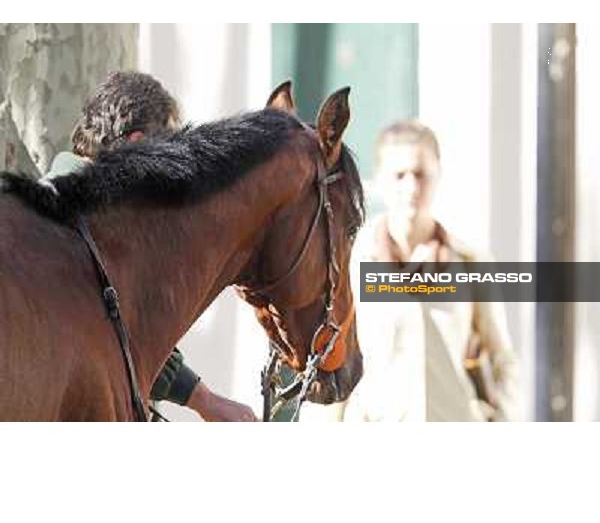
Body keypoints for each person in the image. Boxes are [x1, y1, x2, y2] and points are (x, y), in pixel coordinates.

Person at [44, 71, 258, 422]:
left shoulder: (58, 211)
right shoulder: (75, 229)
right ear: (138, 144)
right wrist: (205, 401)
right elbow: (123, 334)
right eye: (168, 151)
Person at [302, 119, 522, 422]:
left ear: (438, 175)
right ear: (380, 179)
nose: (411, 187)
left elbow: (502, 360)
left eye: (421, 175)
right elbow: (330, 361)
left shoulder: (471, 262)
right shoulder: (350, 261)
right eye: (400, 175)